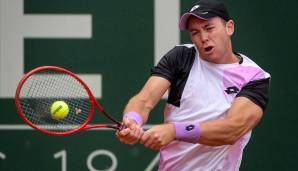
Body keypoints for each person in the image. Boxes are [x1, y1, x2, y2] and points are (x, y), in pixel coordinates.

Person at [117, 0, 271, 170]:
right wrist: (132, 120)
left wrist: (174, 131)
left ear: (229, 27)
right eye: (195, 32)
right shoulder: (182, 57)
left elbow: (233, 129)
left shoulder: (255, 76)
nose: (203, 38)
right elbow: (144, 100)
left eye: (209, 28)